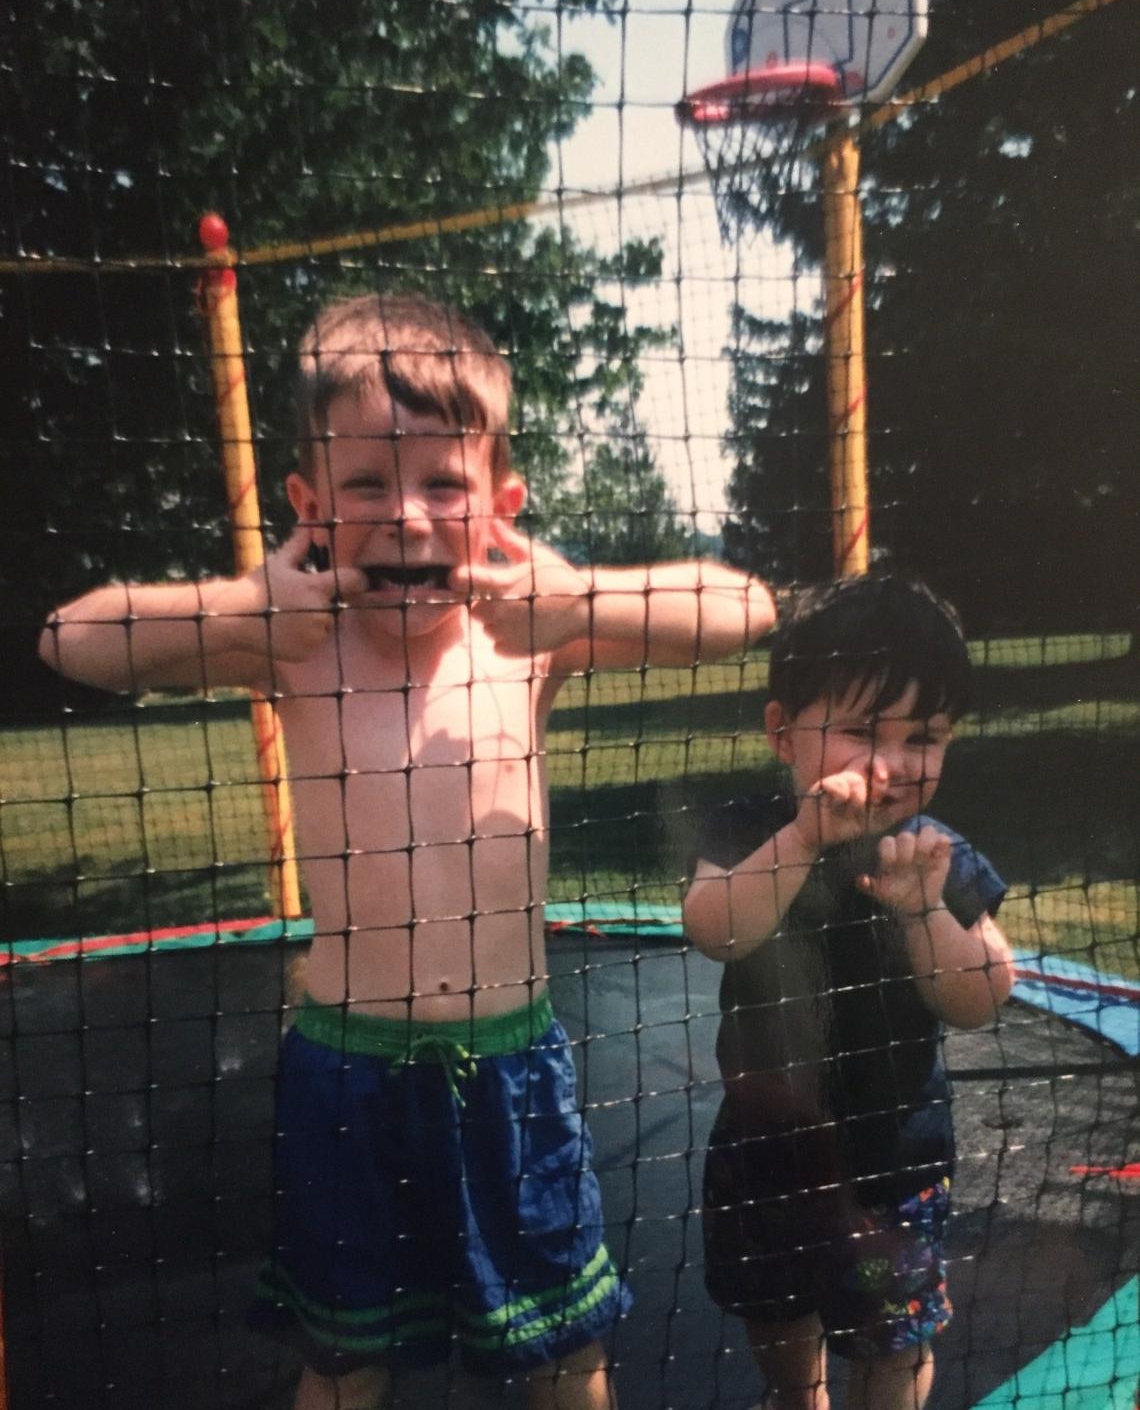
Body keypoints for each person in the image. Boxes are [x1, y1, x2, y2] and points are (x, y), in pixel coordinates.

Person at [40, 293, 777, 1410]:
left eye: (443, 482)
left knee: (569, 1349)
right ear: (309, 506)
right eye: (369, 485)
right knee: (343, 1356)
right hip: (349, 1068)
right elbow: (71, 636)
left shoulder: (527, 636)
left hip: (513, 1064)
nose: (410, 517)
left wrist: (580, 592)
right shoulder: (293, 645)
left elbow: (748, 605)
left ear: (501, 506)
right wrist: (243, 606)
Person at [683, 575, 1015, 1410]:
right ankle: (799, 1399)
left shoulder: (933, 852)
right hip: (767, 1155)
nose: (893, 763)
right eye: (863, 730)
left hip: (891, 1167)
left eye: (925, 736)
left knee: (894, 1342)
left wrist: (924, 911)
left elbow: (981, 994)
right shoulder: (749, 830)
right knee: (778, 1314)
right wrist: (800, 839)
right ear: (782, 733)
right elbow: (715, 927)